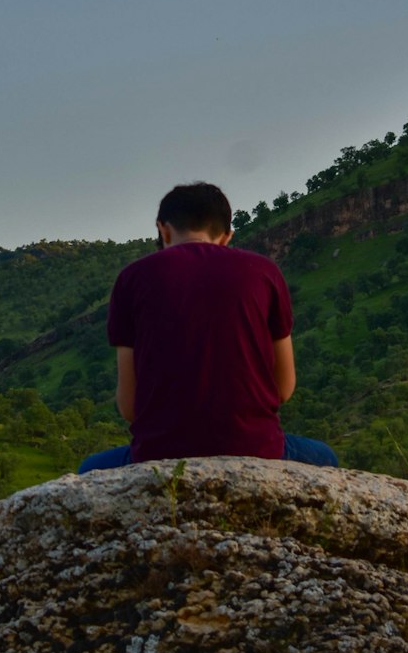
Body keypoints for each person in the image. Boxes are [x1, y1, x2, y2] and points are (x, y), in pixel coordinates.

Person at [78, 181, 338, 472]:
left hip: (157, 455)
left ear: (163, 230)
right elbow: (284, 388)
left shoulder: (132, 279)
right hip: (257, 450)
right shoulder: (265, 272)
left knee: (89, 469)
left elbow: (129, 407)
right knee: (325, 457)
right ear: (227, 236)